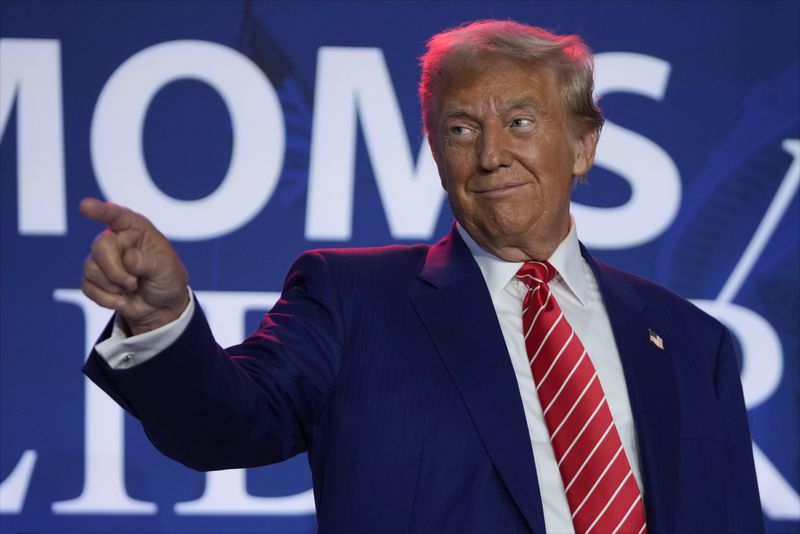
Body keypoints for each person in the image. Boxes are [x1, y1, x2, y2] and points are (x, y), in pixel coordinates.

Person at [80, 20, 763, 534]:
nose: (491, 154)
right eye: (461, 130)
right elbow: (223, 425)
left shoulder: (689, 340)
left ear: (583, 146)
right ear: (436, 154)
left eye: (520, 122)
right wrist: (161, 320)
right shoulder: (351, 302)